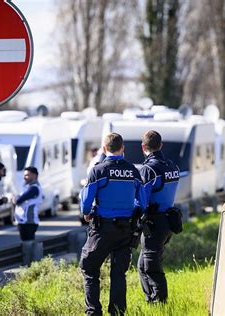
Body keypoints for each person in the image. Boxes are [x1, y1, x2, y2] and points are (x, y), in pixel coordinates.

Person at [79, 133, 147, 316]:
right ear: (122, 148)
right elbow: (142, 202)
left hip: (102, 229)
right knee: (118, 274)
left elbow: (86, 204)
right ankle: (117, 312)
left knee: (89, 268)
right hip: (126, 230)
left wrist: (87, 213)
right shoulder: (133, 171)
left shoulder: (98, 170)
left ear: (103, 149)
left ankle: (93, 312)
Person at [137, 130, 180, 304]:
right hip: (169, 221)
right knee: (142, 265)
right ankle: (151, 301)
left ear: (143, 147)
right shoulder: (172, 166)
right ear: (161, 145)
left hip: (154, 223)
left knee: (151, 266)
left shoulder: (149, 169)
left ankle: (160, 304)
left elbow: (141, 200)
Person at [12, 166, 43, 241]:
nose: (24, 177)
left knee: (27, 244)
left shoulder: (34, 188)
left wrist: (15, 199)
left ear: (34, 175)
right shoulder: (28, 187)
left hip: (28, 221)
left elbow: (18, 200)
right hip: (24, 221)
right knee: (26, 244)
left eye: (27, 175)